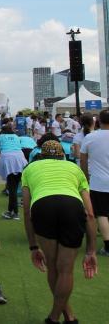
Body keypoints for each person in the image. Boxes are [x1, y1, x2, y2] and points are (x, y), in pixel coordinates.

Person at [22, 140, 98, 324]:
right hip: (72, 207)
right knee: (65, 270)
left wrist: (33, 246)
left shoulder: (30, 168)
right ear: (62, 155)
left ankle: (57, 317)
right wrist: (91, 250)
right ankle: (64, 317)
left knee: (53, 265)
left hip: (43, 206)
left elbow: (26, 210)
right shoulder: (74, 168)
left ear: (41, 156)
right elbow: (89, 213)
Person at [79, 109, 109, 256]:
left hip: (98, 181)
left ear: (98, 121)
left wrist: (85, 176)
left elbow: (83, 159)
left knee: (102, 214)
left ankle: (108, 245)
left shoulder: (91, 137)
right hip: (99, 181)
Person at [0, 124, 28, 220]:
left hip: (8, 160)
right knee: (14, 186)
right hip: (20, 159)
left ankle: (14, 213)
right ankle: (12, 211)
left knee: (12, 188)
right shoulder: (16, 136)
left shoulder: (1, 136)